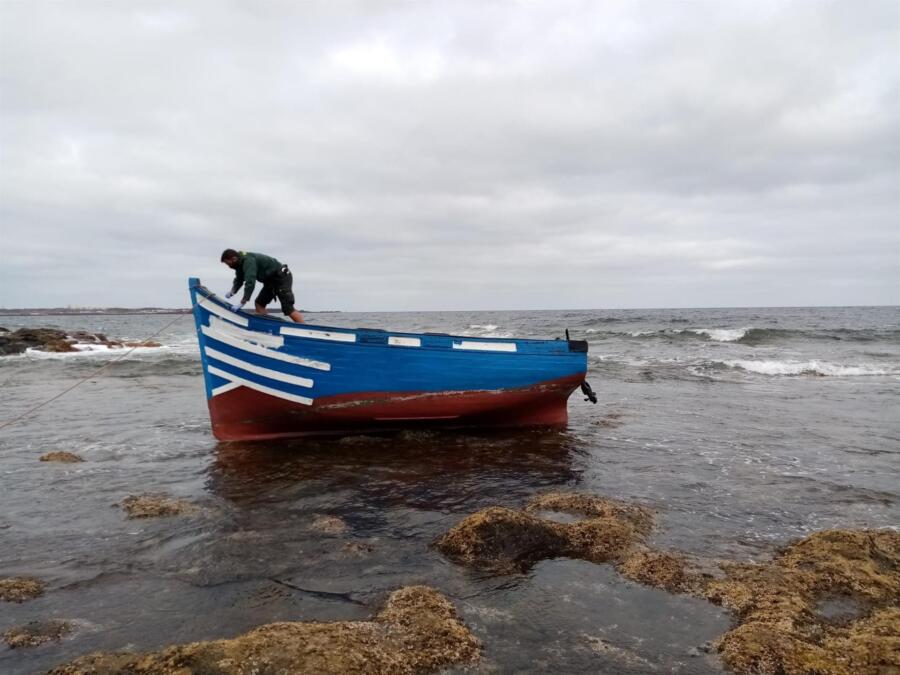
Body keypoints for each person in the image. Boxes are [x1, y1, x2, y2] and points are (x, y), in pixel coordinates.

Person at [221, 249, 304, 323]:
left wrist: (243, 301)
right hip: (270, 281)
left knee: (288, 308)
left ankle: (305, 330)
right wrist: (233, 291)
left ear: (234, 259)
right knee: (259, 303)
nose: (228, 266)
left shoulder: (248, 261)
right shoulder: (239, 263)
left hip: (281, 277)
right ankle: (266, 326)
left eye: (228, 263)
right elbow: (239, 279)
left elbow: (250, 281)